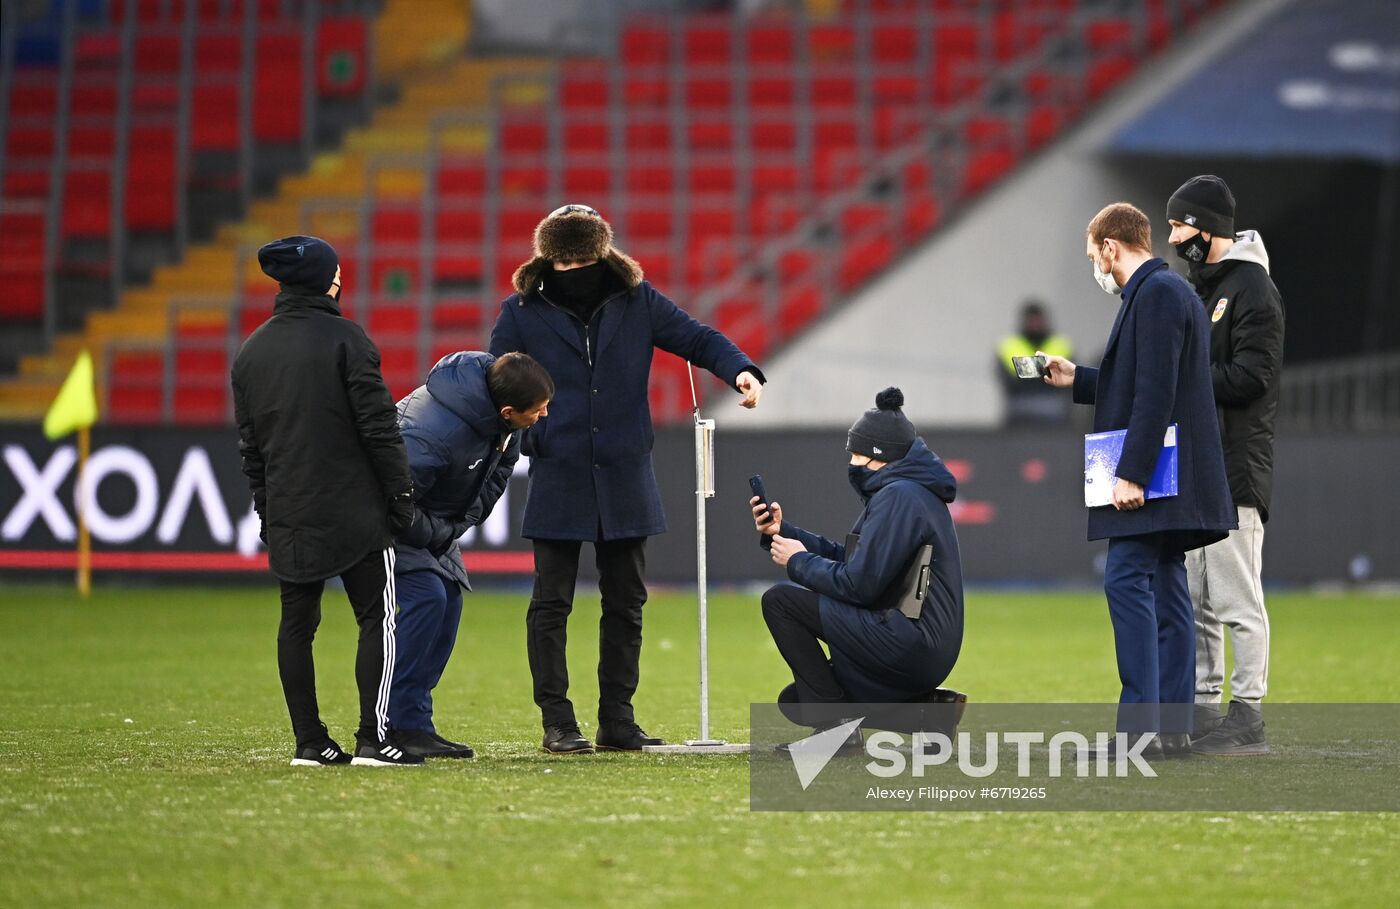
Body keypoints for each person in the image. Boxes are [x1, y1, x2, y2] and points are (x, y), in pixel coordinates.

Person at [489, 203, 766, 754]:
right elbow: (497, 379)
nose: (573, 271)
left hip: (624, 471)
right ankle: (558, 723)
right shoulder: (519, 310)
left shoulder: (639, 301)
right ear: (550, 257)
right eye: (564, 262)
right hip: (558, 470)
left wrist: (742, 369)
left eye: (580, 260)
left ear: (598, 254)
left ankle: (618, 720)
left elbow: (698, 338)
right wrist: (526, 434)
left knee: (626, 603)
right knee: (551, 605)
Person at [1039, 203, 1235, 756]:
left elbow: (1156, 394)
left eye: (1093, 255)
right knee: (1169, 585)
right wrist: (1079, 379)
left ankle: (1139, 732)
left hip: (1152, 473)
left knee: (1125, 579)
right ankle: (1171, 728)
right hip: (1170, 473)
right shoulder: (1167, 293)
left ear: (1110, 246)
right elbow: (1142, 382)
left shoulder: (1155, 296)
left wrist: (1131, 474)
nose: (1095, 267)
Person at [232, 235, 422, 767]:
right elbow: (379, 428)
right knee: (379, 616)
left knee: (296, 624)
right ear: (327, 280)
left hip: (292, 509)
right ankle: (373, 738)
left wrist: (269, 512)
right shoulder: (347, 339)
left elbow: (253, 449)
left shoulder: (251, 352)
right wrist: (400, 494)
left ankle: (310, 742)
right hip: (355, 509)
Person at [754, 387, 964, 751]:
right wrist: (783, 533)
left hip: (909, 641)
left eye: (858, 453)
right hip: (914, 638)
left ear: (881, 456)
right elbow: (856, 562)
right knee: (799, 700)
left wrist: (798, 561)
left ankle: (837, 731)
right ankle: (927, 715)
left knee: (781, 603)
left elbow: (859, 585)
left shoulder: (899, 496)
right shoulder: (906, 492)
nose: (851, 461)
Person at [1166, 175, 1284, 755]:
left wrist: (1184, 382)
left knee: (1238, 601)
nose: (1172, 235)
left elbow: (1254, 378)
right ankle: (1205, 707)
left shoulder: (1253, 289)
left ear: (1207, 228)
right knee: (1199, 600)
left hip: (1235, 468)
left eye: (1179, 223)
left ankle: (1249, 714)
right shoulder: (1206, 285)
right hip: (1201, 469)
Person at [388, 351, 553, 759]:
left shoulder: (499, 423)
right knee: (427, 599)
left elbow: (499, 471)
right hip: (383, 524)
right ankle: (392, 725)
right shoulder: (430, 434)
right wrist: (440, 531)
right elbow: (389, 501)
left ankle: (414, 723)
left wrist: (456, 526)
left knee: (448, 604)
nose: (544, 415)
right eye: (539, 409)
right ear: (509, 410)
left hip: (432, 528)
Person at [996, 300, 1074, 424]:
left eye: (1037, 319)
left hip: (1054, 406)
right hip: (1020, 405)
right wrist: (1046, 370)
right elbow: (1010, 380)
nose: (1035, 324)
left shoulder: (1061, 344)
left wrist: (1027, 369)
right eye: (1031, 320)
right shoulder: (1009, 345)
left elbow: (1069, 377)